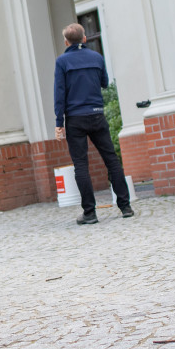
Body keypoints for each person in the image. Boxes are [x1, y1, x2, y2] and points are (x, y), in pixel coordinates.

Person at [53, 23, 134, 225]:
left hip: (75, 119)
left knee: (81, 165)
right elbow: (104, 82)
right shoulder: (97, 58)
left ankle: (90, 212)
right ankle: (125, 206)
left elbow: (59, 94)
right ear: (84, 39)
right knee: (111, 160)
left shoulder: (62, 62)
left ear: (66, 41)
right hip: (97, 114)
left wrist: (59, 122)